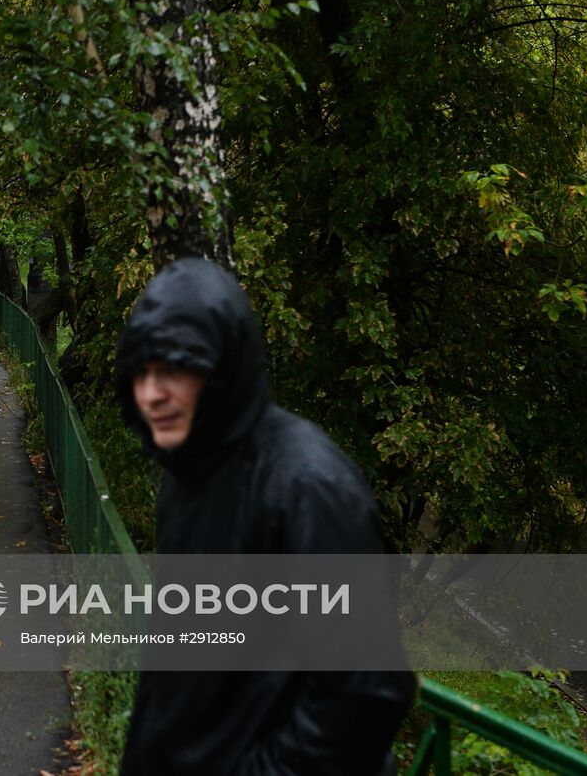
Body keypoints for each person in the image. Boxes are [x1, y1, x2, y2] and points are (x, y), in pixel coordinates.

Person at [114, 257, 415, 775]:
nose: (152, 394)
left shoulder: (307, 486)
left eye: (175, 369)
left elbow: (364, 693)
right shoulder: (188, 475)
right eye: (141, 372)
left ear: (224, 369)